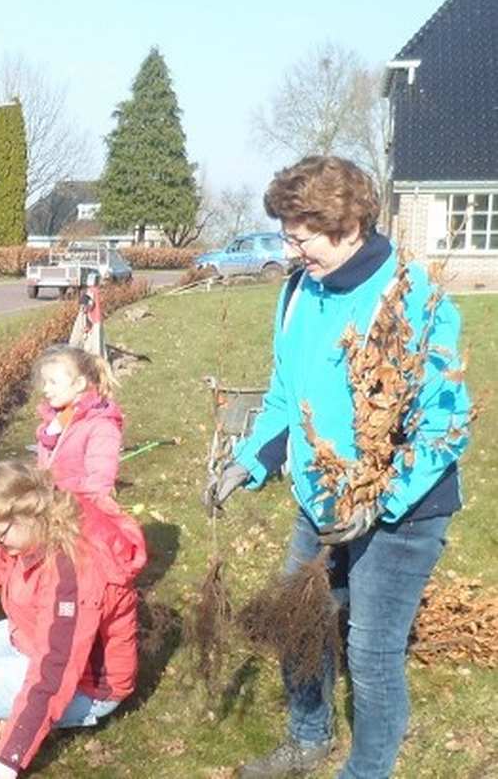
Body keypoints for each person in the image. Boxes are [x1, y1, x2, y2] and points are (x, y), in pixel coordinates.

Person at [205, 156, 471, 778]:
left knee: (371, 652)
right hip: (319, 498)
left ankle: (365, 770)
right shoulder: (299, 292)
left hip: (401, 511)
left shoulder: (411, 298)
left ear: (349, 224)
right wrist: (249, 462)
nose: (293, 250)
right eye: (287, 236)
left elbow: (443, 426)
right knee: (303, 623)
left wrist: (379, 498)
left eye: (302, 236)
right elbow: (285, 396)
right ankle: (307, 737)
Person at [0, 460, 146, 779]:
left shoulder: (72, 576)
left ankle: (12, 727)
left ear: (25, 512)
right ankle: (15, 712)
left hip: (87, 684)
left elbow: (53, 675)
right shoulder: (38, 523)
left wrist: (7, 763)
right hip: (30, 634)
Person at [31, 344, 123, 509]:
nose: (45, 389)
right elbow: (48, 449)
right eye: (44, 382)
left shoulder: (100, 427)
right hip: (55, 504)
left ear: (79, 384)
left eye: (52, 382)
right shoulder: (61, 418)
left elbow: (100, 478)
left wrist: (85, 509)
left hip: (79, 509)